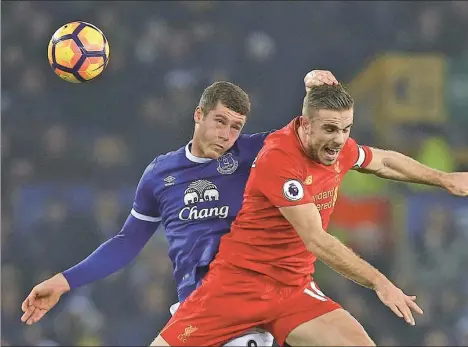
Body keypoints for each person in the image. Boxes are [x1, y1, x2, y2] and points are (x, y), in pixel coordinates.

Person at [154, 83, 468, 346]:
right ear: (304, 125)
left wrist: (443, 178)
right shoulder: (279, 159)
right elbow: (316, 240)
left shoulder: (338, 147)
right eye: (330, 129)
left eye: (346, 129)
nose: (340, 140)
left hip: (292, 290)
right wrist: (379, 282)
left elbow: (384, 161)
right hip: (236, 287)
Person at [20, 70, 337, 347]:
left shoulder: (250, 154)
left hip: (244, 309)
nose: (227, 135)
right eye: (220, 122)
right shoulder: (160, 175)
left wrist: (314, 91)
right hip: (193, 310)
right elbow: (126, 242)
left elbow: (304, 137)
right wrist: (63, 282)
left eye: (236, 127)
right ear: (199, 115)